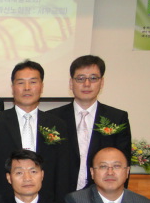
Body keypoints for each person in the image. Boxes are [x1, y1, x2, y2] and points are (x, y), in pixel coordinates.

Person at [0, 60, 70, 202]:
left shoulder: (57, 125)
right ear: (12, 87)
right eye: (21, 82)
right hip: (4, 201)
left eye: (33, 82)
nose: (27, 88)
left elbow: (62, 170)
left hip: (46, 200)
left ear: (41, 86)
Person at [50, 55, 131, 193]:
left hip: (101, 194)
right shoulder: (53, 118)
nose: (87, 84)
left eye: (93, 78)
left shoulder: (117, 118)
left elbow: (123, 163)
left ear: (102, 82)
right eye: (80, 78)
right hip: (60, 194)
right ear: (71, 83)